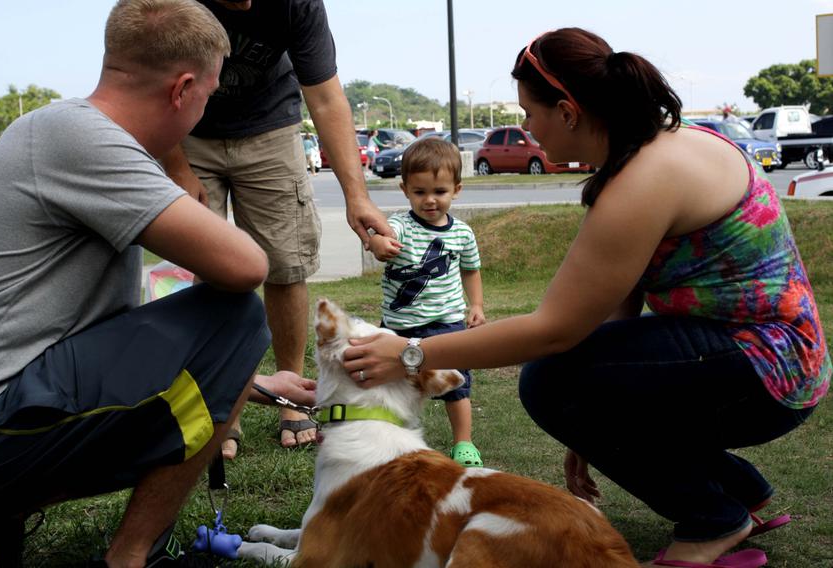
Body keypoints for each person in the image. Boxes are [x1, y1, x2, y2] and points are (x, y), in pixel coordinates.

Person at [343, 27, 830, 568]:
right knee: (569, 377)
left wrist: (409, 352)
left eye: (530, 113)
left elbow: (555, 330)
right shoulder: (661, 147)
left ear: (569, 112)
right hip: (776, 356)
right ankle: (742, 493)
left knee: (548, 377)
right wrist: (591, 429)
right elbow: (614, 310)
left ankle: (715, 520)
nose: (527, 127)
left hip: (767, 369)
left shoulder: (646, 178)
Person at [0, 1, 316, 566]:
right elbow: (246, 266)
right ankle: (130, 557)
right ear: (183, 90)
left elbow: (108, 340)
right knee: (236, 317)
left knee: (220, 352)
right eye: (207, 96)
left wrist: (248, 384)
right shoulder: (78, 136)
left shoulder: (62, 133)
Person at [160, 0, 392, 453]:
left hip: (269, 129)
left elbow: (325, 98)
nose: (248, 4)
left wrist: (357, 196)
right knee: (211, 272)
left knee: (286, 263)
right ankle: (222, 402)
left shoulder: (297, 4)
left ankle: (289, 395)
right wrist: (176, 167)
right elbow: (152, 85)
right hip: (188, 131)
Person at [366, 137, 486, 467]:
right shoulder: (401, 227)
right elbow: (381, 236)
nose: (430, 201)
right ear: (405, 190)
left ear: (457, 189)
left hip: (447, 323)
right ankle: (391, 439)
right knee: (391, 385)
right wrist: (377, 244)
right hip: (400, 326)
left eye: (440, 192)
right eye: (420, 192)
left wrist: (475, 305)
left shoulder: (462, 233)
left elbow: (471, 270)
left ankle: (463, 442)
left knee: (456, 385)